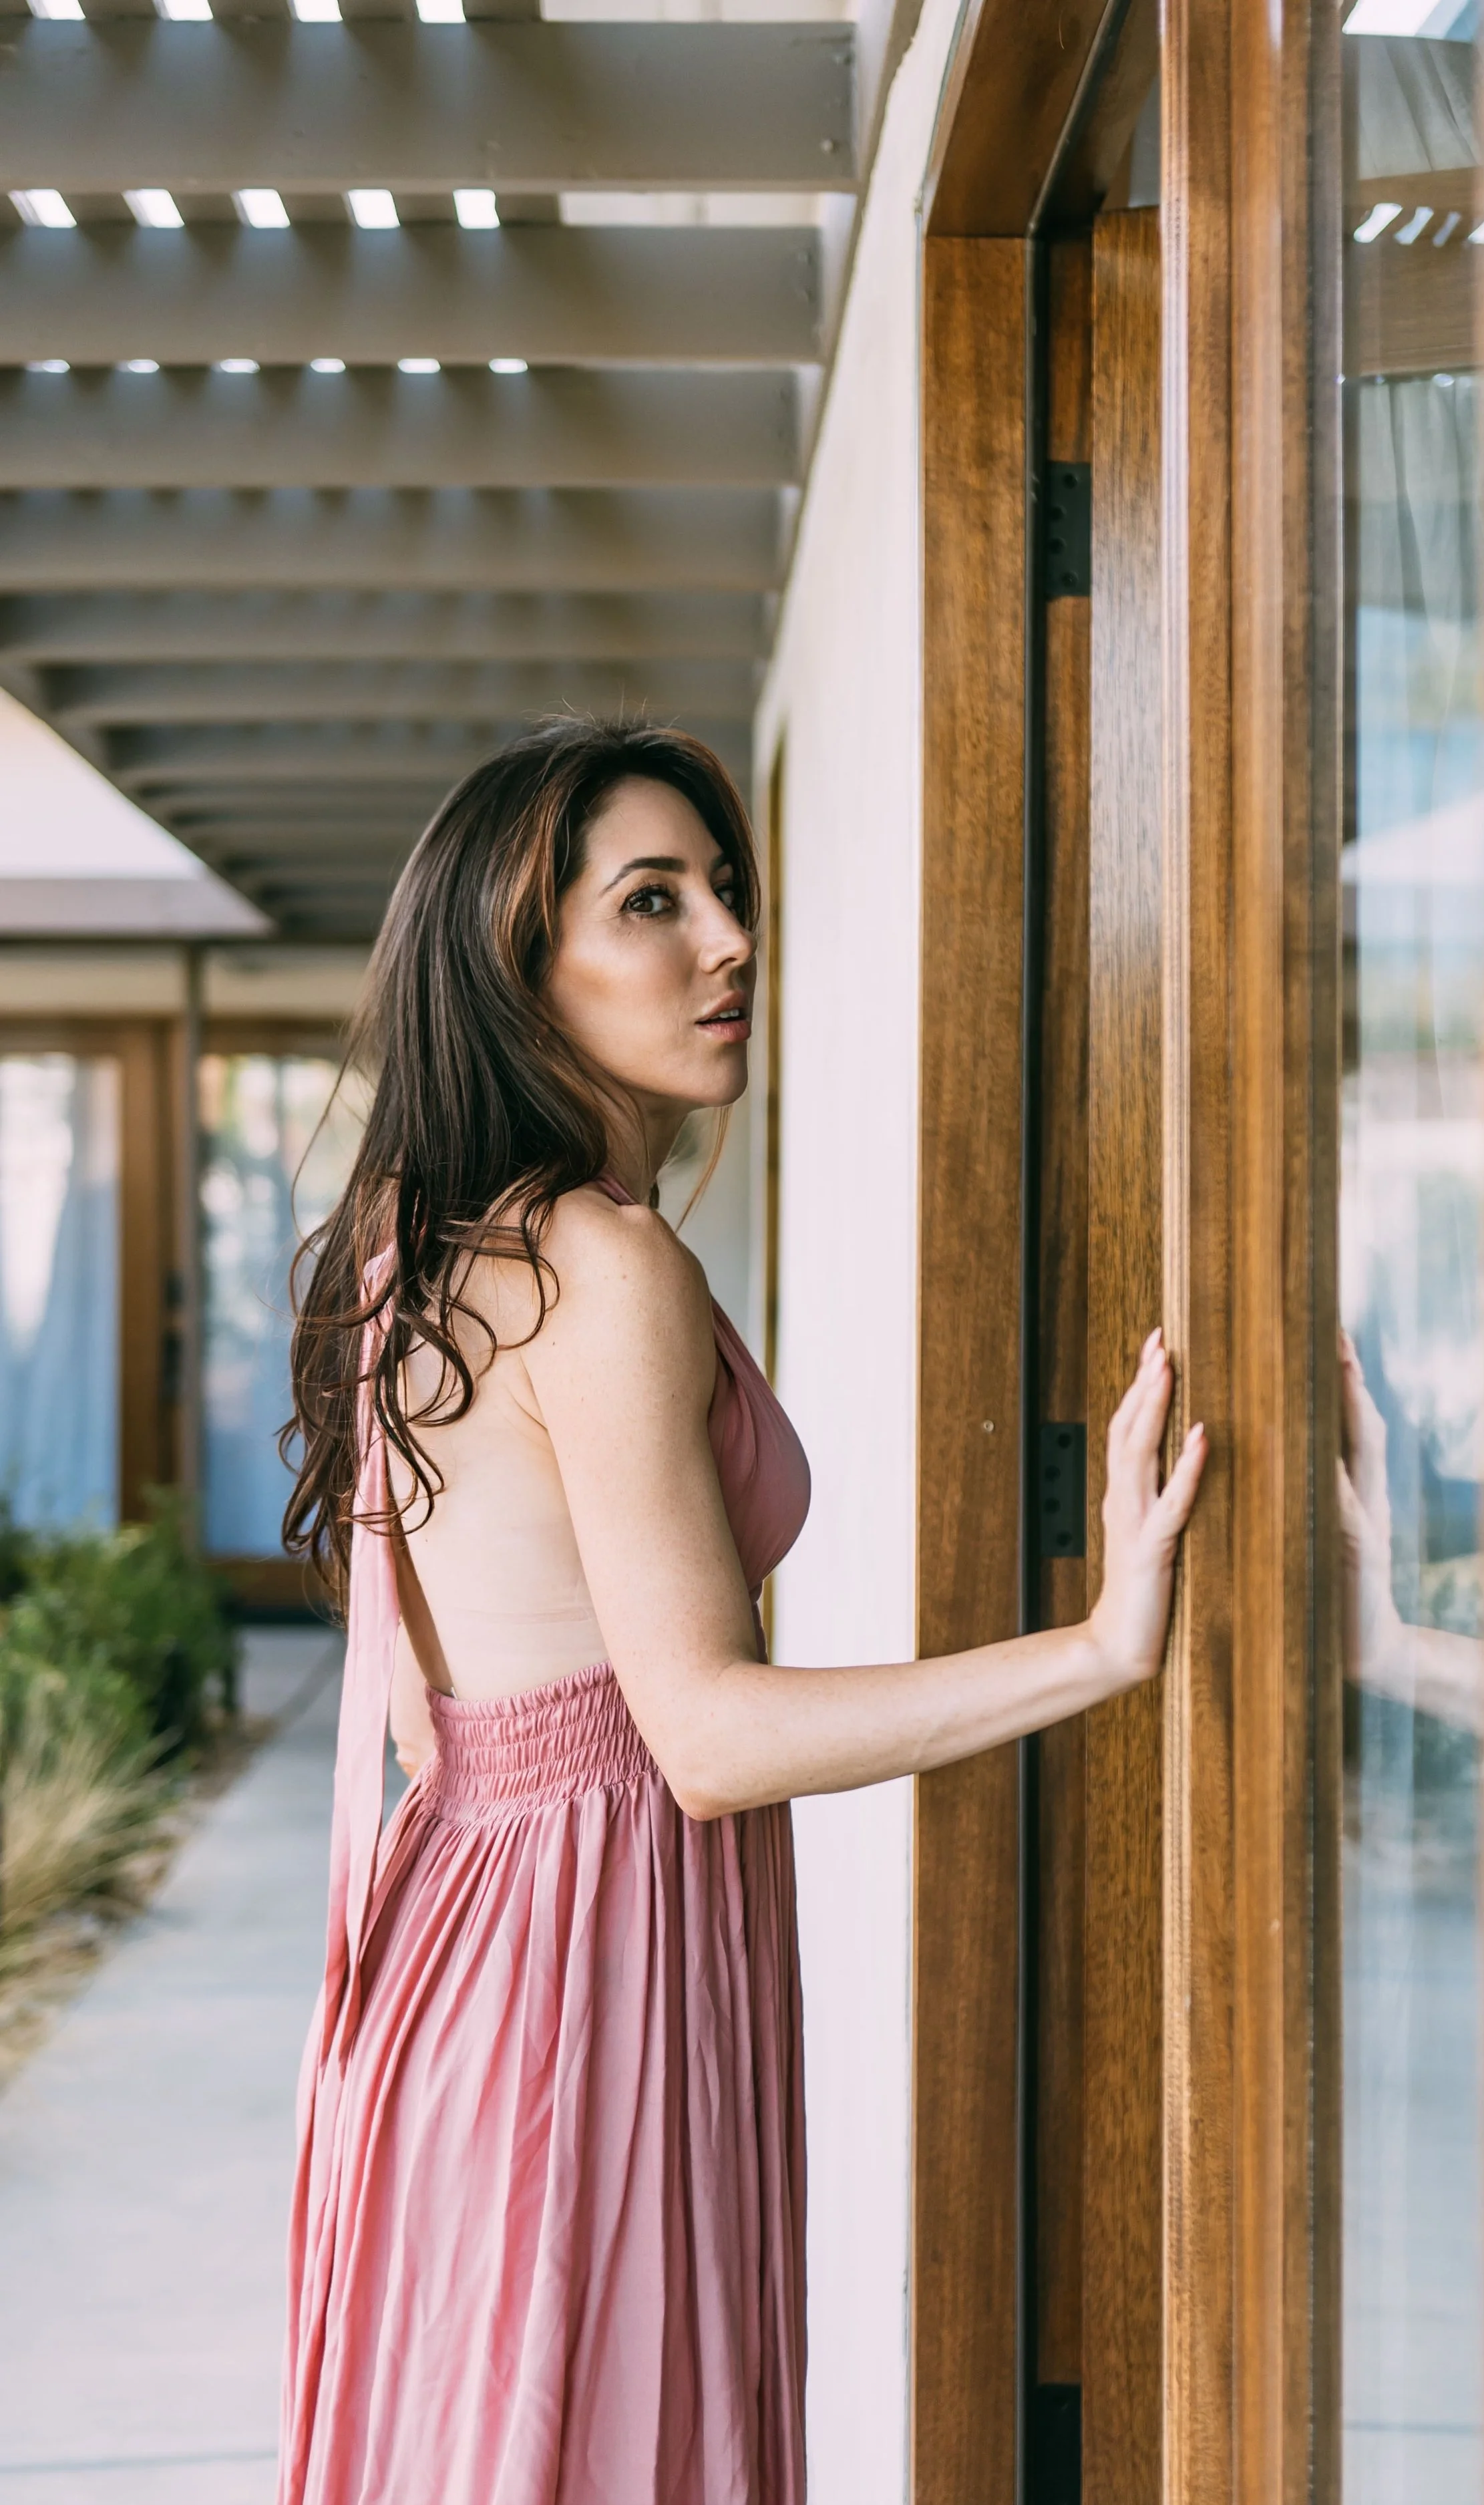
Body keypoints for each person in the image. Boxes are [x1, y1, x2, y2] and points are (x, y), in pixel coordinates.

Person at [276, 719, 1207, 2505]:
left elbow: (435, 1711)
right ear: (514, 967)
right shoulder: (602, 1264)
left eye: (728, 891)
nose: (727, 941)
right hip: (582, 1977)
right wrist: (1097, 1646)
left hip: (468, 1953)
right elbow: (699, 1736)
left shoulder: (425, 1253)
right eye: (650, 902)